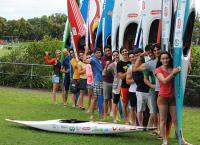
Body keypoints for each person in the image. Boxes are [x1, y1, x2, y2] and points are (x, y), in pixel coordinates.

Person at [155, 51, 191, 145]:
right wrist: (173, 73)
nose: (165, 60)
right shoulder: (158, 70)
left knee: (176, 120)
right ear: (160, 60)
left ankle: (182, 140)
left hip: (173, 98)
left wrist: (187, 64)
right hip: (162, 97)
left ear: (169, 59)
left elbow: (184, 73)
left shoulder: (173, 68)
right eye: (163, 58)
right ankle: (164, 140)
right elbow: (164, 81)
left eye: (166, 58)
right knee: (163, 120)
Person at [85, 48, 103, 121]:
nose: (99, 54)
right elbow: (85, 61)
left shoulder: (101, 60)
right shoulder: (93, 59)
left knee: (102, 98)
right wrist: (86, 52)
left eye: (99, 52)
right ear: (95, 54)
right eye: (97, 53)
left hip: (103, 81)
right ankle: (92, 115)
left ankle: (102, 114)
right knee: (95, 98)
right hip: (97, 81)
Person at [104, 50, 121, 123]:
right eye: (114, 55)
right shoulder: (111, 65)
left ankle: (126, 118)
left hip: (124, 84)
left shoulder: (123, 62)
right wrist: (106, 65)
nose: (116, 56)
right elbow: (104, 73)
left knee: (124, 102)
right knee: (115, 102)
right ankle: (114, 118)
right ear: (112, 57)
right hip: (116, 84)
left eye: (117, 55)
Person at [117, 46, 131, 124]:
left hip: (133, 86)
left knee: (132, 104)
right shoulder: (120, 63)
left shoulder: (131, 61)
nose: (125, 53)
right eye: (123, 52)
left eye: (126, 51)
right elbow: (121, 76)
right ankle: (126, 120)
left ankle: (133, 119)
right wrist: (129, 71)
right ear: (121, 54)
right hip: (124, 86)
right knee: (125, 104)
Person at [101, 45, 113, 119]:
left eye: (109, 50)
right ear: (104, 52)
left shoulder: (113, 57)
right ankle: (105, 115)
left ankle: (112, 114)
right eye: (106, 51)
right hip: (106, 81)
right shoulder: (103, 58)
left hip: (114, 82)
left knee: (112, 99)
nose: (108, 52)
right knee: (105, 99)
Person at [126, 50, 137, 126]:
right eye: (130, 57)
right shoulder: (130, 68)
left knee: (140, 109)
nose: (132, 58)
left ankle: (140, 123)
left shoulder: (142, 65)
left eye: (133, 57)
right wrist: (136, 79)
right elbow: (127, 81)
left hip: (142, 90)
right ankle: (134, 123)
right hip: (133, 90)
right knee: (133, 108)